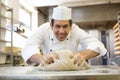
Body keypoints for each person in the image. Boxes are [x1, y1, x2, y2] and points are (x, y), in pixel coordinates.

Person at [21, 6, 107, 66]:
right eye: (57, 26)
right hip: (49, 73)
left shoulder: (75, 30)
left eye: (65, 26)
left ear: (71, 26)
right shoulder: (44, 29)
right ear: (51, 26)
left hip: (72, 73)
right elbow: (28, 48)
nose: (61, 31)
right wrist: (41, 59)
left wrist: (83, 55)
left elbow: (98, 45)